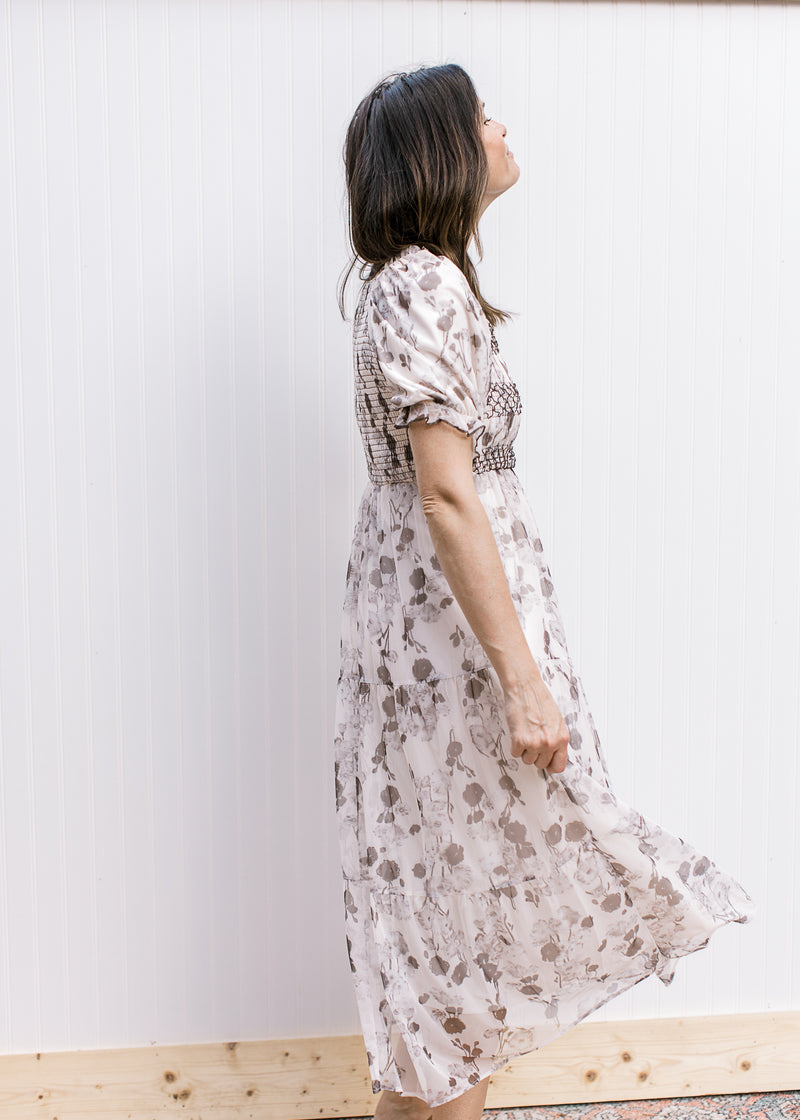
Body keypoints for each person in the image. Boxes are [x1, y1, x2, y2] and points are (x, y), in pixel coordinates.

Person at [332, 63, 755, 1120]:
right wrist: (520, 681)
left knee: (451, 945)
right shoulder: (422, 283)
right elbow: (444, 493)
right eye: (479, 117)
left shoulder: (417, 281)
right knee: (455, 944)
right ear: (439, 149)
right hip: (453, 650)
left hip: (439, 638)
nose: (499, 128)